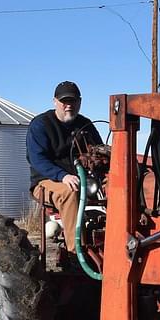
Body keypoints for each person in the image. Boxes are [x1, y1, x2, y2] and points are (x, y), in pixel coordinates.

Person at [27, 81, 103, 252]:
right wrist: (62, 176)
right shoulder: (41, 125)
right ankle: (76, 252)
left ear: (80, 102)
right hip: (46, 181)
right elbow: (37, 159)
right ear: (55, 101)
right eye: (64, 101)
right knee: (69, 192)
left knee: (119, 188)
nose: (69, 105)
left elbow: (101, 151)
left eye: (73, 101)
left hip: (85, 180)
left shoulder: (86, 125)